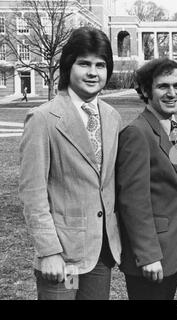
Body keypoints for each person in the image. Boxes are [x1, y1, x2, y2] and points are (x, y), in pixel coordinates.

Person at [18, 27, 122, 300]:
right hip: (63, 256)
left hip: (101, 253)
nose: (93, 72)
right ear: (68, 65)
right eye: (84, 63)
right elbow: (33, 193)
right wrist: (49, 251)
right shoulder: (43, 118)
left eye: (100, 65)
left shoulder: (112, 117)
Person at [116, 58, 177, 300]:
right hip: (151, 258)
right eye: (163, 86)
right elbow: (133, 202)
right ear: (146, 91)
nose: (172, 93)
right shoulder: (137, 133)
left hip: (171, 251)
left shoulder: (172, 128)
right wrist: (148, 256)